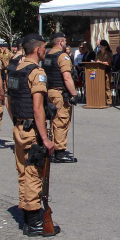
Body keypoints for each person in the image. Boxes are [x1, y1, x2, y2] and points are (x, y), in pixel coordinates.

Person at [8, 34, 60, 237]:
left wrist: (18, 121)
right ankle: (35, 222)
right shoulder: (37, 73)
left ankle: (28, 218)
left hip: (19, 127)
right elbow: (38, 108)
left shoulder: (15, 70)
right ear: (38, 50)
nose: (45, 51)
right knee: (34, 175)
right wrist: (45, 138)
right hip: (31, 131)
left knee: (23, 173)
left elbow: (9, 102)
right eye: (43, 48)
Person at [43, 33, 80, 164]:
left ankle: (53, 148)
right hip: (59, 93)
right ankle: (60, 152)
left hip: (50, 92)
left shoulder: (47, 55)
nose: (66, 44)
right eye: (64, 41)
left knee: (54, 121)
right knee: (61, 121)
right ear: (60, 42)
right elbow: (66, 77)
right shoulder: (62, 56)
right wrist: (74, 94)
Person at [96, 40, 113, 106]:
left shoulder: (109, 53)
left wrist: (101, 62)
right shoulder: (98, 53)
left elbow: (109, 62)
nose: (100, 47)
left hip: (107, 71)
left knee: (107, 86)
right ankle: (101, 100)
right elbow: (96, 60)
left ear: (105, 46)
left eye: (101, 46)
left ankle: (109, 101)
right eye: (100, 46)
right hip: (99, 72)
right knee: (100, 86)